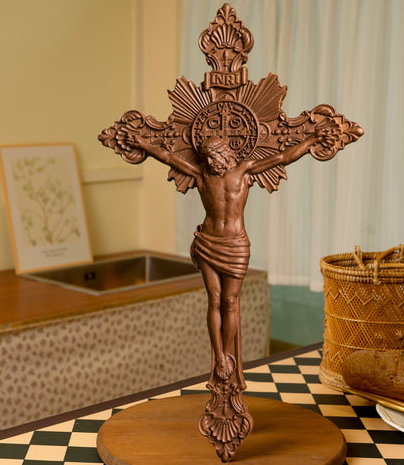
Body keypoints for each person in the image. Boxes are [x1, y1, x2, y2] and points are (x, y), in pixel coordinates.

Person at [124, 132, 317, 382]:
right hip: (208, 242)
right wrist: (142, 144)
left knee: (230, 301)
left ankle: (228, 353)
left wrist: (311, 140)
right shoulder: (201, 174)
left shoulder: (245, 170)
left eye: (213, 156)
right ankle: (219, 357)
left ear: (225, 153)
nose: (210, 162)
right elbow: (168, 157)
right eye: (206, 158)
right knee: (214, 300)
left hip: (235, 244)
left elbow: (282, 157)